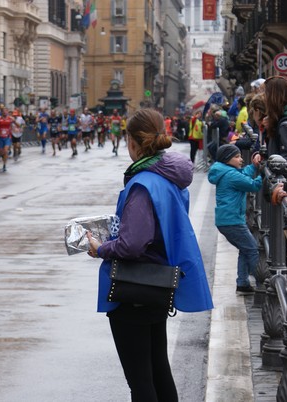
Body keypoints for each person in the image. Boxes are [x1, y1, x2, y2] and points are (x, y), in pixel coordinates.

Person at [86, 108, 213, 401]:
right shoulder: (166, 176)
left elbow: (132, 244)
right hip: (156, 284)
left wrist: (100, 247)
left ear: (132, 141)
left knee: (141, 382)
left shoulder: (143, 184)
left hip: (133, 288)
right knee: (158, 371)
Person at [208, 144, 262, 295]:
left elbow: (243, 174)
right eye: (237, 157)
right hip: (233, 221)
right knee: (252, 250)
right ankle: (264, 284)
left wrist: (253, 166)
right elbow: (253, 185)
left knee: (245, 249)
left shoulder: (225, 172)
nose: (241, 159)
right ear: (227, 159)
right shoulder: (231, 175)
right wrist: (263, 173)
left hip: (227, 220)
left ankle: (243, 283)